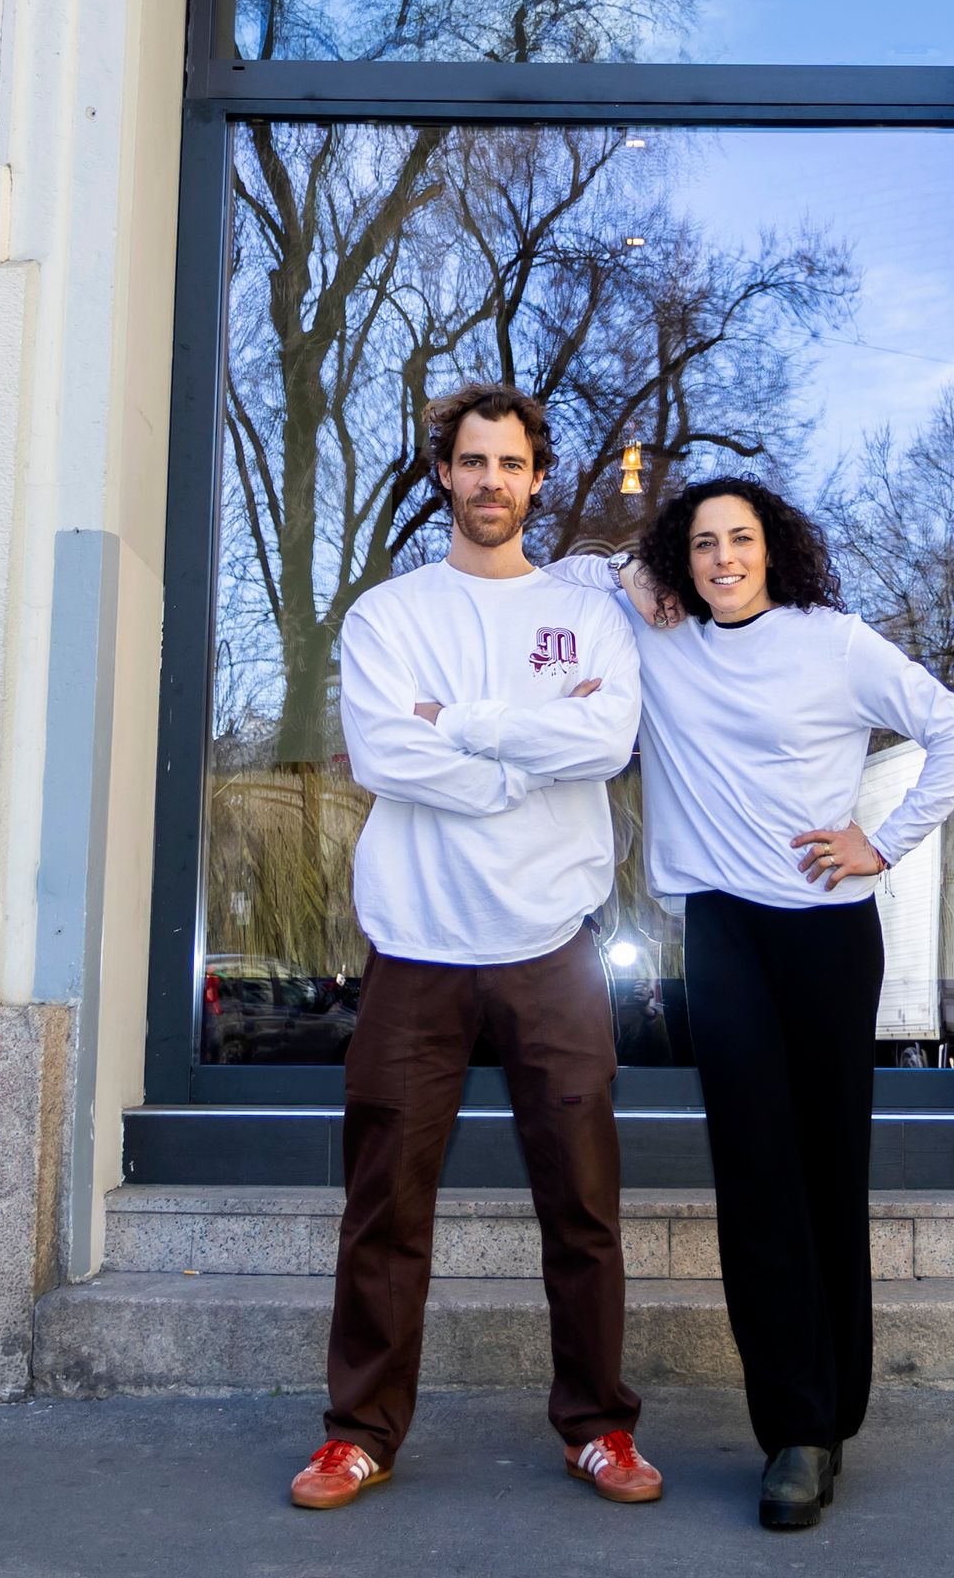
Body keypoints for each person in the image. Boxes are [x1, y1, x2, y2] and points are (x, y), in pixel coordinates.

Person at [559, 477, 954, 1532]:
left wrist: (882, 842)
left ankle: (835, 1409)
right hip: (725, 937)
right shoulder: (663, 638)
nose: (723, 558)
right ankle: (793, 1430)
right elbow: (565, 577)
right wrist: (634, 573)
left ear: (773, 548)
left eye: (740, 538)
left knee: (829, 1171)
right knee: (755, 1180)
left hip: (826, 933)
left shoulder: (832, 642)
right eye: (702, 542)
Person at [288, 383, 665, 1514]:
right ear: (443, 474)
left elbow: (606, 739)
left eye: (510, 463)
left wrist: (460, 726)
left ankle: (598, 1425)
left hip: (553, 947)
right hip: (417, 948)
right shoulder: (388, 615)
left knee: (583, 1206)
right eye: (472, 462)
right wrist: (519, 766)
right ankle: (359, 1435)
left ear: (538, 478)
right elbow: (383, 754)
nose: (490, 481)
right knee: (385, 1210)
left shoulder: (589, 613)